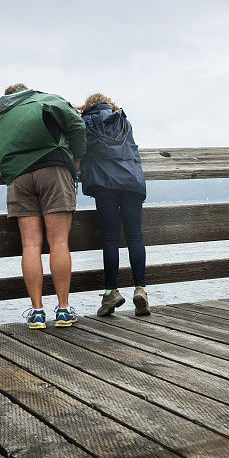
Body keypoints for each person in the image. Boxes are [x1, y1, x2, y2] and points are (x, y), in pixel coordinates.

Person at [0, 83, 86, 328]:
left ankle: (36, 312)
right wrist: (76, 158)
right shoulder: (45, 99)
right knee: (58, 242)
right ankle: (63, 311)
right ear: (26, 91)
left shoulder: (2, 114)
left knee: (30, 245)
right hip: (53, 170)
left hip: (18, 177)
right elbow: (77, 125)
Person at [79, 93, 149, 317]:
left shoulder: (86, 122)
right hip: (132, 182)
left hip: (105, 183)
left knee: (110, 237)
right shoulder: (123, 121)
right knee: (135, 236)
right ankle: (141, 289)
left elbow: (80, 150)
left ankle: (111, 292)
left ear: (87, 107)